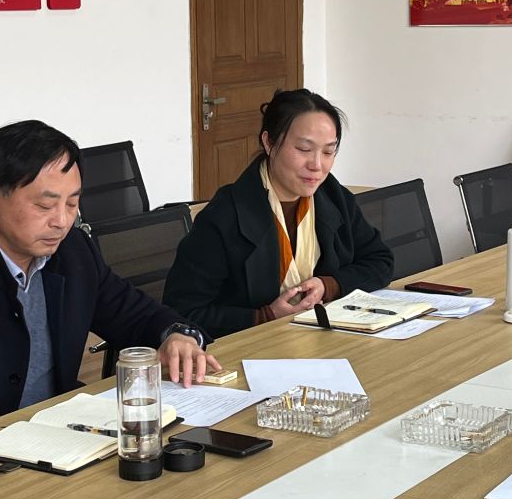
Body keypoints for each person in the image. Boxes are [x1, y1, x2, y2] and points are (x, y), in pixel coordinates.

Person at [0, 121, 222, 454]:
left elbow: (134, 313)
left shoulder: (74, 252)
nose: (62, 221)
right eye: (45, 205)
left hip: (54, 440)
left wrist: (176, 335)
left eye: (72, 203)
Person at [164, 88, 394, 340]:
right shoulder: (224, 216)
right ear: (269, 142)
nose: (317, 165)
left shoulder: (331, 196)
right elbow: (182, 313)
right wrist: (264, 316)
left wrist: (329, 285)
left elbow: (380, 261)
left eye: (328, 152)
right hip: (251, 347)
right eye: (304, 149)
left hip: (322, 339)